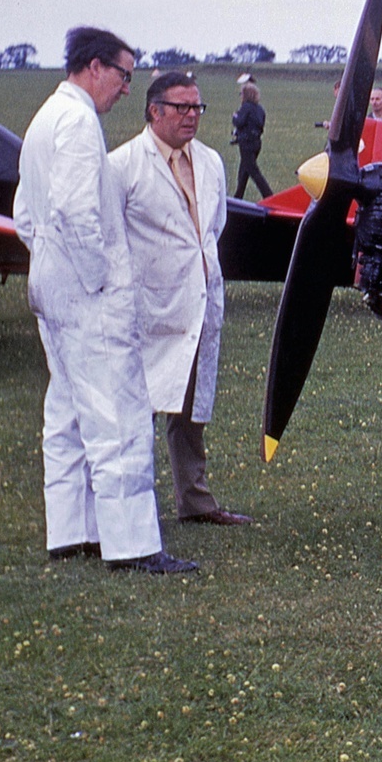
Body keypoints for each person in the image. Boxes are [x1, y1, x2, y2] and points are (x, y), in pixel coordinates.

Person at [11, 27, 194, 573]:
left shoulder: (46, 117)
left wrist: (50, 263)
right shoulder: (77, 123)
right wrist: (101, 278)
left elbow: (26, 211)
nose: (123, 89)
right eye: (123, 75)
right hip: (87, 291)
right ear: (94, 68)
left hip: (52, 282)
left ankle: (71, 531)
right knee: (119, 414)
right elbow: (74, 210)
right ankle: (132, 544)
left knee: (67, 409)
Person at [110, 73, 251, 529]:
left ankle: (195, 500)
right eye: (182, 108)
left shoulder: (210, 162)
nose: (192, 116)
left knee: (190, 411)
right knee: (137, 408)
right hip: (146, 308)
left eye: (198, 108)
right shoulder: (123, 166)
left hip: (199, 303)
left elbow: (213, 229)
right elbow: (109, 238)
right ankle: (124, 503)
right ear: (155, 111)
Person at [229, 80, 273, 198]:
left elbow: (240, 122)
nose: (241, 97)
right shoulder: (260, 109)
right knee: (243, 172)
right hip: (256, 143)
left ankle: (269, 196)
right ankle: (238, 197)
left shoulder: (246, 107)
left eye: (241, 94)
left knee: (253, 171)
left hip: (246, 144)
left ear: (246, 95)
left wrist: (234, 117)